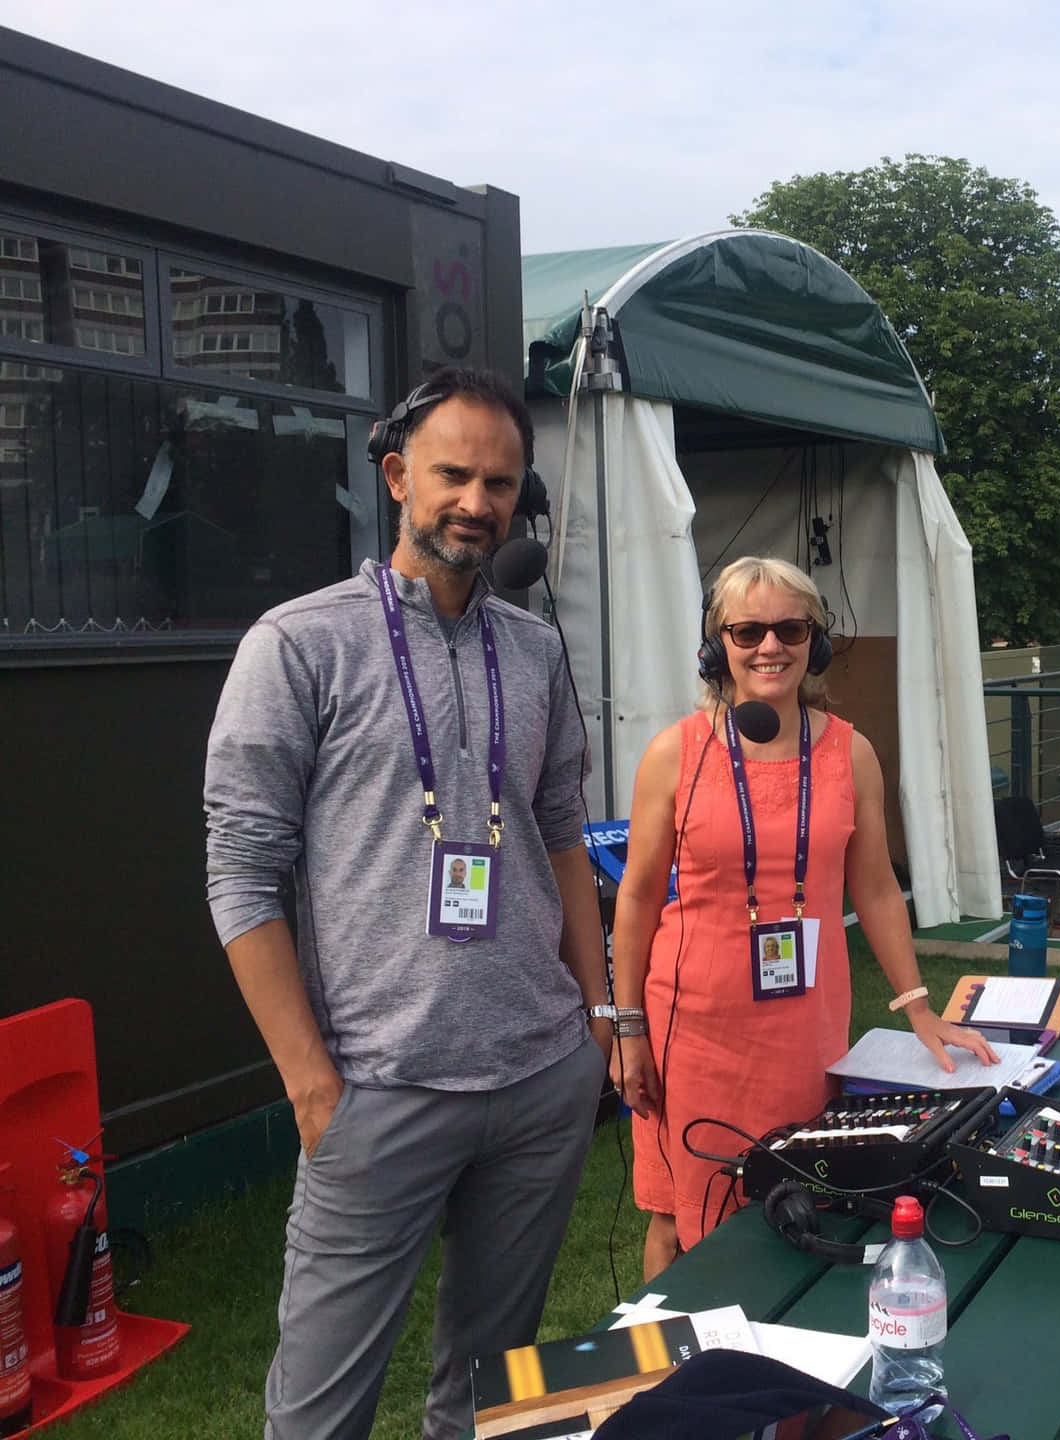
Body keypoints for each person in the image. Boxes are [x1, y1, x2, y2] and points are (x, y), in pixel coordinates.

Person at [204, 368, 611, 1440]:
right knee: (319, 1412)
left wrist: (599, 1021)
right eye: (453, 475)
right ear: (396, 477)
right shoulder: (299, 645)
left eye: (501, 483)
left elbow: (565, 833)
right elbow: (241, 875)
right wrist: (309, 1083)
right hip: (377, 1089)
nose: (477, 501)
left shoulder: (535, 650)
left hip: (539, 1074)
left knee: (493, 1401)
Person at [608, 556, 997, 1279]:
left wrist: (919, 1007)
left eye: (790, 628)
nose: (769, 647)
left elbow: (876, 887)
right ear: (715, 644)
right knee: (682, 1217)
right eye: (747, 629)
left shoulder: (852, 752)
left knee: (797, 1201)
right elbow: (635, 897)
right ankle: (682, 1374)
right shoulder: (675, 754)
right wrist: (627, 1029)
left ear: (815, 642)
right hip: (690, 1033)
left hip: (803, 1031)